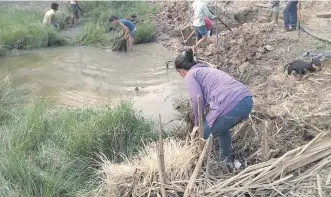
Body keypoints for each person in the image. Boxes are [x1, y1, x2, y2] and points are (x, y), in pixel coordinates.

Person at [174, 48, 253, 168]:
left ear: (181, 71)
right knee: (220, 127)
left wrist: (197, 124)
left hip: (231, 105)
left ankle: (198, 165)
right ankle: (225, 160)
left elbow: (197, 99)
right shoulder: (205, 69)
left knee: (202, 133)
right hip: (246, 100)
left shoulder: (190, 75)